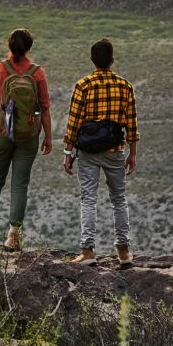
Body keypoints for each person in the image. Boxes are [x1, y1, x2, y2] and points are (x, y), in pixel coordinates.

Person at [62, 37, 138, 265]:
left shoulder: (83, 85)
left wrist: (68, 152)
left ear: (92, 60)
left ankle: (87, 251)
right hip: (115, 150)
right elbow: (131, 123)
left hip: (88, 152)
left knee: (88, 199)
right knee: (119, 199)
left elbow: (74, 122)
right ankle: (124, 251)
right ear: (112, 60)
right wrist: (132, 153)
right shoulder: (125, 86)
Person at [0, 27, 51, 251]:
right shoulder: (37, 73)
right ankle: (13, 236)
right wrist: (48, 137)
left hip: (1, 130)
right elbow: (44, 108)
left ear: (9, 45)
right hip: (28, 134)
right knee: (20, 184)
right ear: (29, 47)